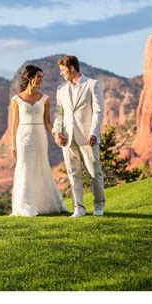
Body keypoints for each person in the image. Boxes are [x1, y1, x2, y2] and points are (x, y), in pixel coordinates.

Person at [10, 65, 67, 216]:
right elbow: (14, 124)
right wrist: (13, 144)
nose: (41, 80)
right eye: (38, 76)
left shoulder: (45, 99)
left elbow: (47, 121)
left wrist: (55, 133)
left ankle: (45, 204)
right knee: (25, 167)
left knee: (41, 166)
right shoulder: (16, 99)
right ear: (30, 77)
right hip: (23, 137)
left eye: (42, 77)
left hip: (40, 135)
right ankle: (25, 205)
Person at [52, 55, 105, 217]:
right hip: (67, 138)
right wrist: (57, 132)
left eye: (63, 70)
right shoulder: (61, 89)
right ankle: (79, 208)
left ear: (72, 68)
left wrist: (93, 132)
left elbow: (98, 111)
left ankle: (98, 208)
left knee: (94, 172)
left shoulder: (92, 84)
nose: (61, 74)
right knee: (73, 173)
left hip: (88, 137)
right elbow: (58, 113)